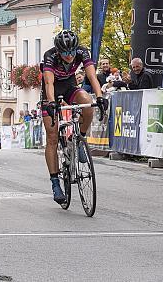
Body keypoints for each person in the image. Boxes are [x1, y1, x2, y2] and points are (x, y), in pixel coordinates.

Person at [41, 29, 108, 204]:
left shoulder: (81, 52)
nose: (69, 56)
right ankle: (55, 183)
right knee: (52, 137)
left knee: (87, 102)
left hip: (70, 85)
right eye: (65, 52)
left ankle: (79, 140)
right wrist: (50, 102)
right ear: (58, 50)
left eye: (71, 51)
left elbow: (92, 75)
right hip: (51, 91)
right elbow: (49, 82)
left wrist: (100, 97)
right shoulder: (50, 55)